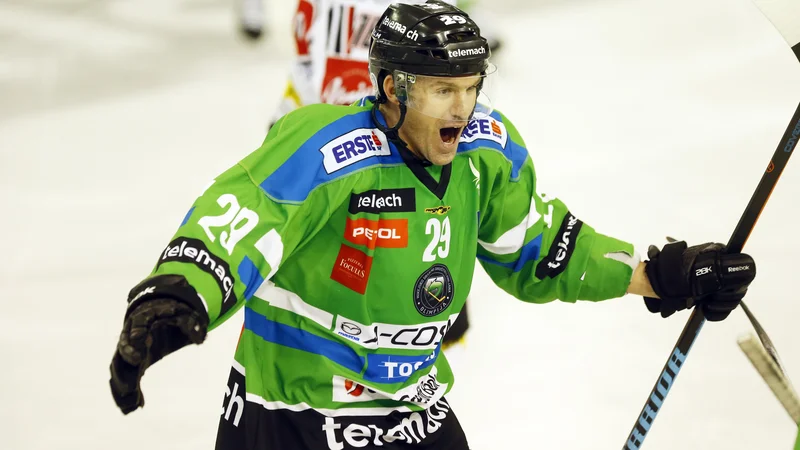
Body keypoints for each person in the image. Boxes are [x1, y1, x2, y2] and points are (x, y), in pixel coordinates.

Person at [109, 1, 757, 449]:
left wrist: (660, 276)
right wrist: (178, 291)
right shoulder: (327, 149)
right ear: (392, 88)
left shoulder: (486, 153)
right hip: (292, 420)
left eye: (472, 87)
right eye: (445, 90)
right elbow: (243, 218)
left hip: (412, 416)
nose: (465, 107)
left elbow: (537, 246)